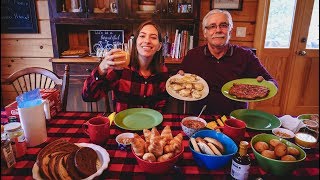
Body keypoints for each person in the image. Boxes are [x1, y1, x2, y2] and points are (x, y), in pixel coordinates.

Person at [179, 9, 278, 115]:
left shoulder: (245, 56)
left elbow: (272, 82)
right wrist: (179, 76)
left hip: (235, 118)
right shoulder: (192, 55)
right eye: (212, 26)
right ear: (205, 33)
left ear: (230, 31)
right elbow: (180, 79)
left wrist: (265, 84)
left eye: (223, 25)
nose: (218, 30)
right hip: (199, 116)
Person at [82, 20, 169, 113]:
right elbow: (88, 96)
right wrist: (101, 69)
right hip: (123, 126)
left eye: (153, 37)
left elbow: (161, 106)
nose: (147, 41)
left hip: (151, 125)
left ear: (159, 46)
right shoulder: (120, 68)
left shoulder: (162, 71)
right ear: (135, 42)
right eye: (142, 36)